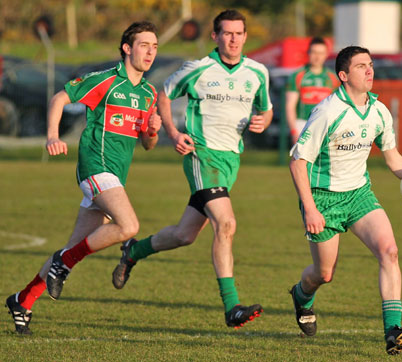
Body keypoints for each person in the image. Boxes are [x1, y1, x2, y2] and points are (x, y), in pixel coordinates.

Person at [111, 9, 273, 329]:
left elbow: (266, 110)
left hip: (231, 159)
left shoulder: (258, 72)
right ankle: (231, 307)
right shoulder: (198, 69)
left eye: (239, 33)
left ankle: (134, 250)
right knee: (226, 224)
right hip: (201, 154)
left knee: (185, 235)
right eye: (227, 33)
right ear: (215, 36)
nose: (234, 39)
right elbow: (165, 96)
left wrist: (262, 121)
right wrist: (173, 133)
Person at [5, 21, 162, 335]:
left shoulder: (148, 93)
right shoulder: (105, 80)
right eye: (144, 45)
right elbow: (59, 99)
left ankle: (22, 299)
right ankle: (64, 261)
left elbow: (146, 143)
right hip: (95, 166)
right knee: (129, 226)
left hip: (115, 176)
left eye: (155, 46)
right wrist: (52, 136)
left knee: (76, 244)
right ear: (127, 48)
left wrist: (153, 131)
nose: (150, 52)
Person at [288, 46, 402, 355]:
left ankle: (392, 330)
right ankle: (301, 296)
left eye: (369, 65)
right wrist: (311, 209)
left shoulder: (379, 111)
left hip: (359, 194)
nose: (369, 70)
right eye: (360, 67)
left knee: (390, 252)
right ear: (343, 76)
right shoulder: (327, 111)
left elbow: (393, 157)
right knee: (323, 274)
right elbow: (298, 162)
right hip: (323, 199)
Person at [285, 37, 339, 144]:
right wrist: (294, 130)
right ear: (308, 53)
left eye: (321, 53)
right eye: (314, 52)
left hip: (325, 125)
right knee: (301, 160)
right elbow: (290, 106)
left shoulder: (332, 77)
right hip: (303, 124)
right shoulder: (298, 76)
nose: (317, 57)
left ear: (326, 54)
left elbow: (337, 106)